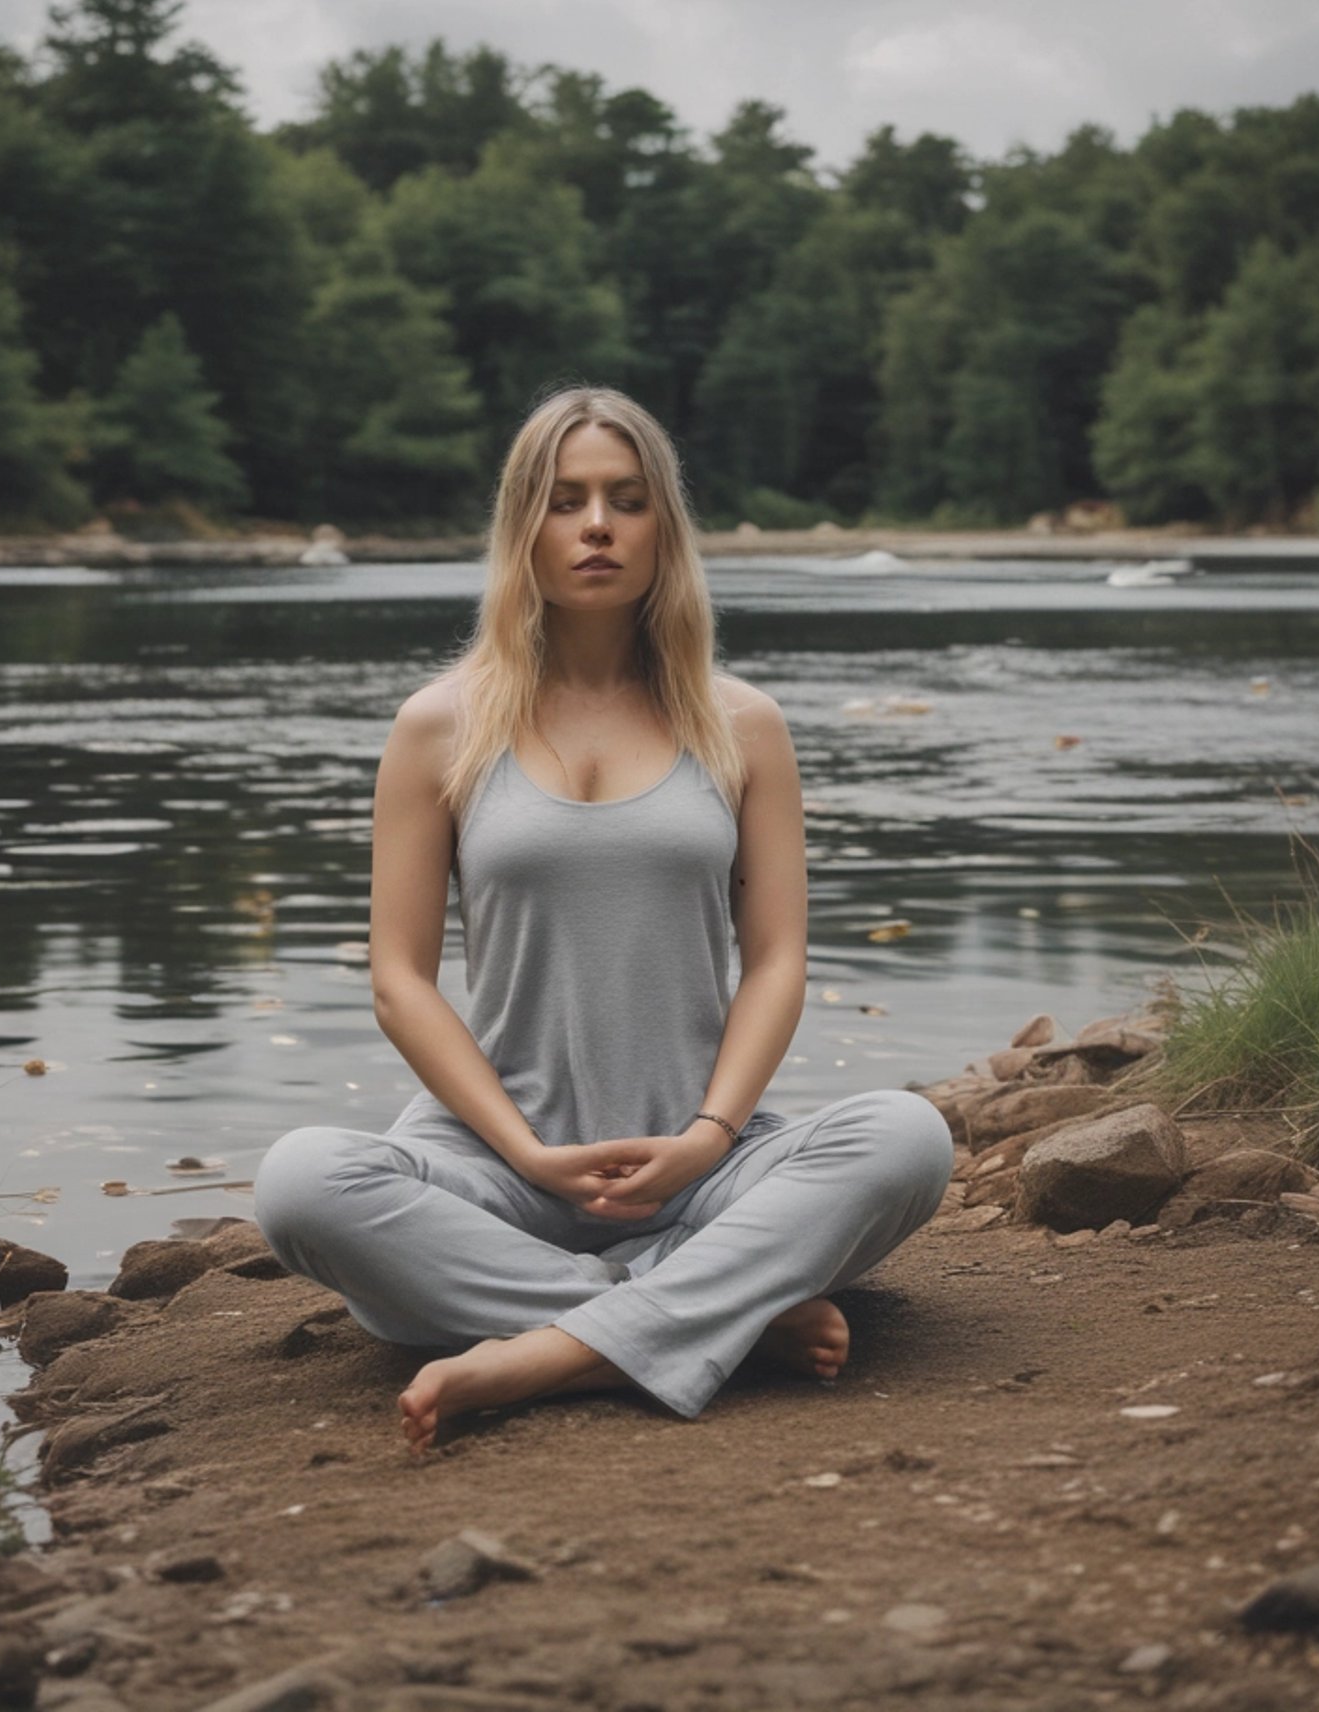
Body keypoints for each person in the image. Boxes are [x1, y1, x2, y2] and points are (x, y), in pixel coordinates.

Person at [251, 384, 954, 1455]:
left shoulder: (742, 724)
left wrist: (708, 1138)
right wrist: (527, 1154)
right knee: (302, 1181)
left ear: (662, 526)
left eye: (626, 500)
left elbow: (777, 961)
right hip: (497, 1171)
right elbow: (399, 978)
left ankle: (545, 1343)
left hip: (701, 1166)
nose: (594, 526)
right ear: (521, 525)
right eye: (565, 499)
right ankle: (719, 1315)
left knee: (907, 1137)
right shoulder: (437, 727)